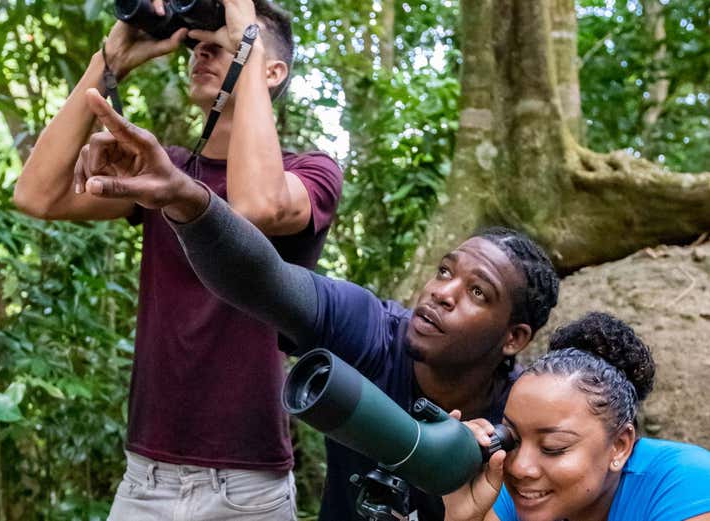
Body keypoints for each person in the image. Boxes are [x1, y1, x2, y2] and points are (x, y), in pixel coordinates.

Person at [67, 88, 561, 521]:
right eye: (446, 271)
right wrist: (185, 198)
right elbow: (265, 280)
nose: (442, 292)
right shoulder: (371, 331)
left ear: (514, 337)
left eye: (478, 292)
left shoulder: (525, 414)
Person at [13, 1, 343, 519]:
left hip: (248, 485)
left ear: (272, 71)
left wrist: (248, 36)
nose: (201, 55)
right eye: (198, 47)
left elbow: (256, 205)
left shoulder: (310, 173)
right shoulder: (165, 171)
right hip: (146, 476)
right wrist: (109, 60)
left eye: (221, 47)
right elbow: (37, 195)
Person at [444, 311, 710, 521]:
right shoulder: (513, 492)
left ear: (619, 446)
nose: (520, 468)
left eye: (553, 448)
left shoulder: (685, 482)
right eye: (511, 440)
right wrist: (465, 516)